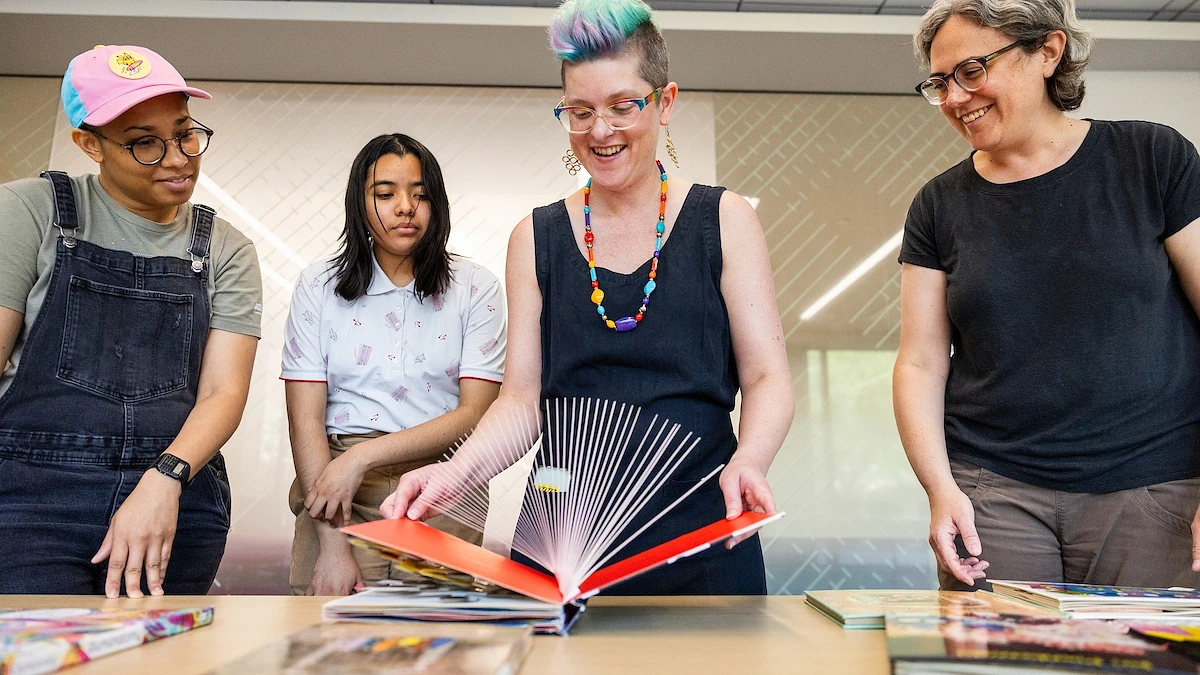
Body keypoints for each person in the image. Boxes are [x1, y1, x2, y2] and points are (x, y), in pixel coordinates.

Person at [381, 0, 794, 595]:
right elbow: (523, 401)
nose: (600, 131)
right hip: (562, 544)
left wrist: (750, 459)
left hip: (704, 531)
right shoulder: (535, 237)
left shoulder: (724, 220)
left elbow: (767, 379)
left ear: (665, 102)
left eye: (623, 106)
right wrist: (456, 472)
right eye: (580, 112)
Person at [893, 0, 1200, 590]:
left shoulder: (1152, 160)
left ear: (1048, 53)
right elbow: (920, 361)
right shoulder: (938, 205)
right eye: (940, 82)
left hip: (1153, 485)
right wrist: (940, 489)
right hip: (994, 494)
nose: (955, 97)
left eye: (972, 70)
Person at [0, 45, 262, 597]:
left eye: (186, 132)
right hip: (32, 501)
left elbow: (222, 392)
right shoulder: (30, 211)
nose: (178, 157)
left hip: (176, 497)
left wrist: (164, 480)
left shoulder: (226, 249)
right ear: (89, 143)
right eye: (145, 142)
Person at [282, 134, 506, 596]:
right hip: (337, 492)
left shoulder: (475, 287)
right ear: (360, 204)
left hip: (443, 488)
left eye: (420, 194)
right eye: (385, 194)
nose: (405, 207)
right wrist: (332, 547)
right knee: (333, 656)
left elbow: (473, 415)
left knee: (442, 656)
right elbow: (304, 419)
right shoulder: (317, 287)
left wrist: (364, 457)